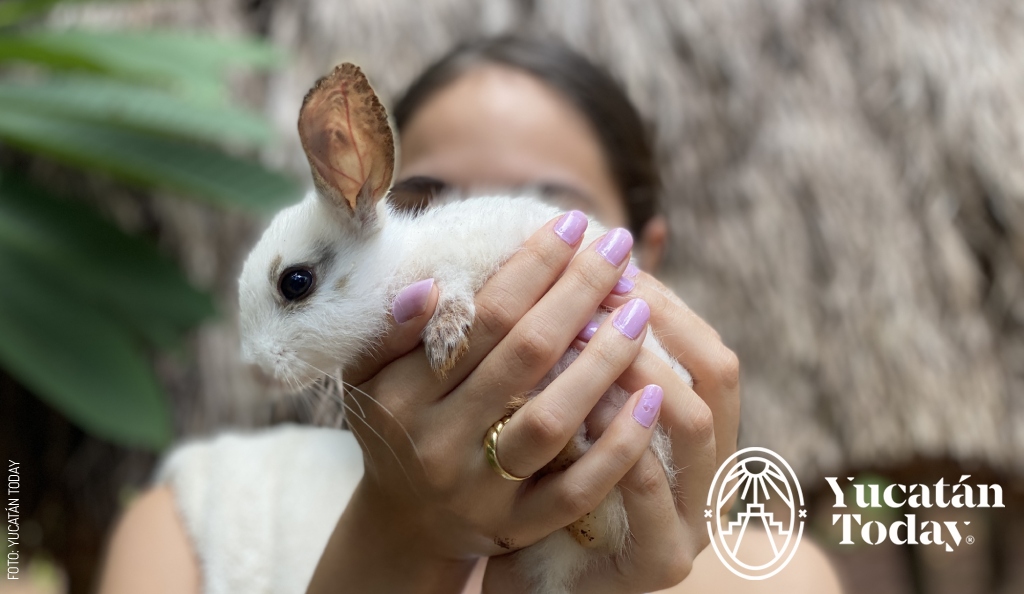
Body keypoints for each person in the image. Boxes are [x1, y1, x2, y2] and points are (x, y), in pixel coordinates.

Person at [97, 36, 842, 594]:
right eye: (431, 196)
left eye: (561, 217)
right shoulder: (202, 517)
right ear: (383, 198)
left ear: (641, 251)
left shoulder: (773, 571)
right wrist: (399, 536)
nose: (517, 277)